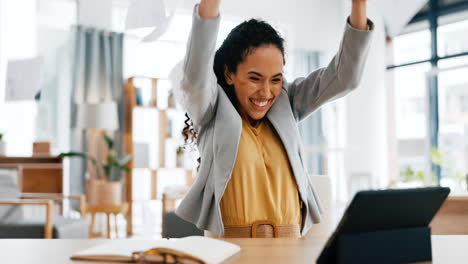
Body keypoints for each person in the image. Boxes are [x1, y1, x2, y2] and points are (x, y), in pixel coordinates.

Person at [175, 0, 374, 238]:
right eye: (255, 78)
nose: (266, 92)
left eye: (276, 79)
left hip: (291, 248)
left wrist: (359, 4)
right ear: (229, 73)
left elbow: (344, 78)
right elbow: (195, 74)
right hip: (232, 248)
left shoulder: (287, 102)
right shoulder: (211, 109)